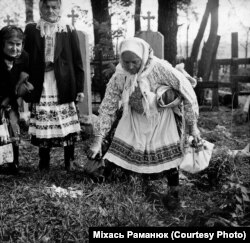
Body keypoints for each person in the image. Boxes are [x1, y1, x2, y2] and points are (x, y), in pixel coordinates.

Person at [87, 37, 201, 210]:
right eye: (126, 62)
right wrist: (97, 139)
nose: (131, 66)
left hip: (160, 118)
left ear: (143, 57)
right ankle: (102, 178)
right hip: (133, 117)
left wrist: (193, 126)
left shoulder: (160, 68)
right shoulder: (120, 75)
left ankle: (173, 194)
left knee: (168, 156)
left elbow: (188, 92)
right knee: (120, 148)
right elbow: (108, 106)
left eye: (135, 62)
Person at [23, 0, 84, 172]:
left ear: (59, 9)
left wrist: (80, 88)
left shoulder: (68, 29)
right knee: (44, 119)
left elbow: (77, 61)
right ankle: (44, 160)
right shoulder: (32, 29)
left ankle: (69, 160)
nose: (50, 10)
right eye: (47, 6)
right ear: (40, 8)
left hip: (62, 83)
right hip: (40, 82)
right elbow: (25, 57)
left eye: (54, 7)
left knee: (66, 122)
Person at [0, 25, 29, 174]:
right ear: (2, 44)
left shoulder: (23, 58)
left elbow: (24, 79)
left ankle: (14, 163)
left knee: (13, 127)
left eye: (18, 44)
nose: (15, 48)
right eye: (10, 44)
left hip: (11, 100)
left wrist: (19, 91)